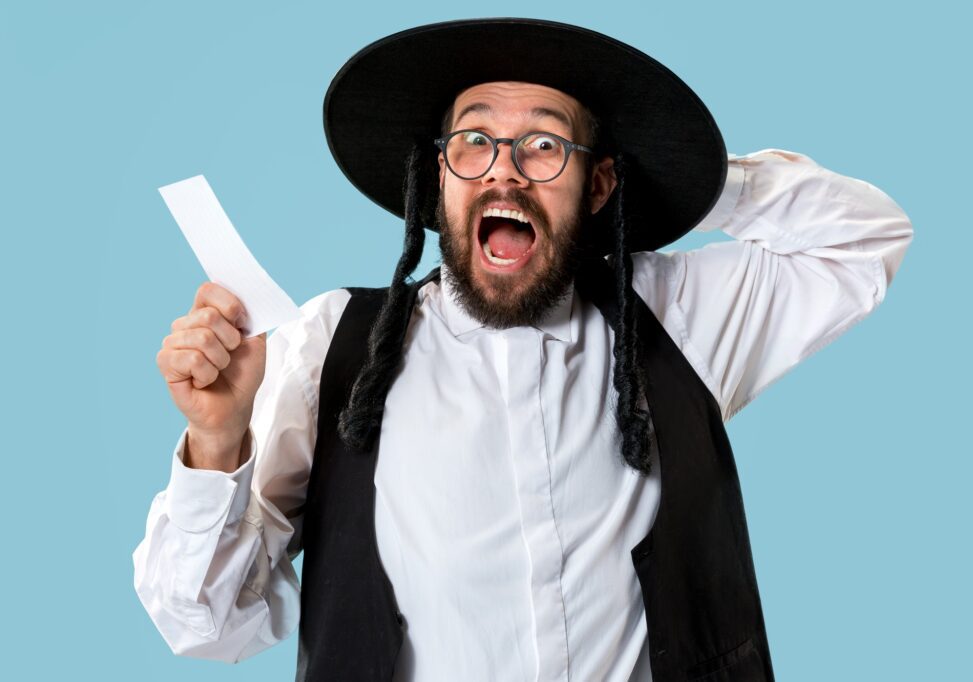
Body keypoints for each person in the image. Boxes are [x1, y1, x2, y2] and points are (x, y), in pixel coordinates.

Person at [133, 18, 913, 682]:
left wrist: (701, 180)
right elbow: (207, 627)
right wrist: (216, 441)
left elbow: (864, 240)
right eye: (474, 141)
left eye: (544, 145)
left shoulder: (672, 315)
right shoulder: (333, 348)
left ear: (598, 185)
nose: (504, 171)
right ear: (437, 178)